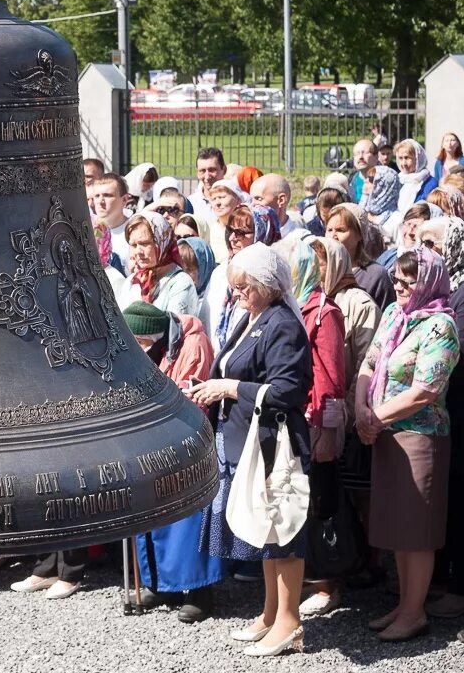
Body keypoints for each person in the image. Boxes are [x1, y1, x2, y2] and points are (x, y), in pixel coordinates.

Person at [190, 242, 313, 656]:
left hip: (274, 444)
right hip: (247, 439)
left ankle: (290, 622)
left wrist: (229, 388)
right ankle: (270, 612)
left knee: (282, 532)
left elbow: (289, 390)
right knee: (266, 530)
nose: (236, 292)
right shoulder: (254, 317)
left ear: (268, 283)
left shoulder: (282, 324)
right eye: (233, 285)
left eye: (244, 285)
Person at [356, 246, 458, 641]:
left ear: (428, 282)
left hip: (419, 435)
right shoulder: (394, 314)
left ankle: (414, 611)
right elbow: (370, 361)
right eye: (396, 279)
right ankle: (404, 603)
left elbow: (425, 390)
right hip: (384, 431)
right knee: (398, 525)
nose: (398, 287)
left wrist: (374, 417)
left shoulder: (440, 326)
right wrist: (361, 407)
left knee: (416, 529)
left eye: (408, 281)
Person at [123, 301, 225, 621]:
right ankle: (159, 583)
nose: (139, 352)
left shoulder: (193, 343)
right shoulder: (155, 348)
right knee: (153, 519)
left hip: (187, 443)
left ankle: (198, 590)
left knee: (186, 522)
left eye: (141, 346)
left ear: (155, 338)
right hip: (152, 442)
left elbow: (191, 396)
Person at [415, 217, 464, 618]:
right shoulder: (438, 288)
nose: (425, 249)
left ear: (456, 244)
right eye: (420, 242)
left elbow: (459, 347)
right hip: (438, 412)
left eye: (432, 242)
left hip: (463, 411)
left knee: (462, 496)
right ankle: (440, 579)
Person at [307, 235, 381, 583]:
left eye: (322, 262)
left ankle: (364, 563)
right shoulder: (309, 300)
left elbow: (365, 359)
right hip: (327, 413)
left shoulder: (355, 302)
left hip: (345, 413)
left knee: (352, 495)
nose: (316, 269)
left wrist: (350, 411)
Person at [283, 238, 347, 618]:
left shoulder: (325, 312)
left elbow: (332, 376)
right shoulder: (294, 305)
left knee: (322, 501)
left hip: (315, 419)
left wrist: (325, 429)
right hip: (296, 418)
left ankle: (327, 583)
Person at [205, 205, 281, 353]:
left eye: (241, 233)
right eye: (231, 231)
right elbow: (206, 319)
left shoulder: (270, 281)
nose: (233, 238)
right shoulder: (220, 273)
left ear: (262, 233)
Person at [119, 212, 198, 316]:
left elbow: (174, 328)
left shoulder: (180, 282)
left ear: (162, 241)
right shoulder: (132, 281)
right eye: (134, 245)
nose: (138, 251)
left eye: (145, 243)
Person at [324, 204, 395, 313]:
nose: (333, 236)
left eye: (341, 230)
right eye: (329, 230)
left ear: (359, 235)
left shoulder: (375, 276)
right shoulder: (320, 271)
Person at [89, 173, 132, 266]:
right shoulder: (86, 231)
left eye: (107, 195)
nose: (100, 201)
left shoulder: (135, 230)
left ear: (125, 199)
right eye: (97, 196)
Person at [207, 178, 246, 264]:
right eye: (214, 199)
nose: (217, 203)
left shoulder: (248, 229)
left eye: (222, 197)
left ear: (238, 200)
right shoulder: (209, 229)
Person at [188, 147, 227, 223]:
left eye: (212, 170)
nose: (207, 177)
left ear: (224, 170)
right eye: (202, 171)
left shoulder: (236, 201)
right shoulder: (190, 204)